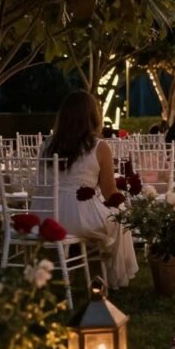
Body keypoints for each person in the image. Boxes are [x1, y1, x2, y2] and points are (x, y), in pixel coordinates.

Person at [43, 91, 138, 289]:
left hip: (47, 216)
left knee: (114, 216)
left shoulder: (47, 145)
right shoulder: (99, 147)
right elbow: (109, 193)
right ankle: (112, 277)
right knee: (120, 218)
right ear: (94, 117)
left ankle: (93, 268)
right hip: (80, 219)